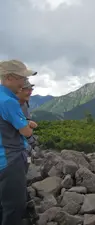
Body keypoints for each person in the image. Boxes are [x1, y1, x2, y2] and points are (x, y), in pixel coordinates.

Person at [0, 59, 38, 225]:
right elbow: (26, 131)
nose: (24, 82)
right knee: (14, 206)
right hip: (11, 160)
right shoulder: (9, 102)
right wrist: (27, 126)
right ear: (9, 78)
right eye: (22, 77)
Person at [16, 78, 39, 224]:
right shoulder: (17, 103)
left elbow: (25, 127)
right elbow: (26, 129)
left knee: (19, 183)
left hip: (20, 150)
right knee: (19, 183)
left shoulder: (20, 103)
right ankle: (28, 213)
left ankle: (28, 213)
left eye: (31, 88)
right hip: (20, 150)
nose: (30, 91)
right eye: (27, 88)